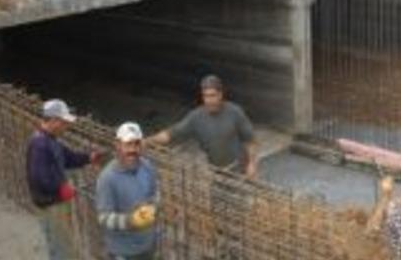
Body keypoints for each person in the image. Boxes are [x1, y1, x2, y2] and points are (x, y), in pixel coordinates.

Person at [26, 99, 101, 260]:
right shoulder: (40, 144)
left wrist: (88, 158)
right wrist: (60, 189)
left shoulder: (50, 140)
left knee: (58, 244)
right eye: (64, 122)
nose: (66, 126)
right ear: (53, 121)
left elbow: (68, 157)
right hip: (50, 205)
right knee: (63, 248)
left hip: (54, 201)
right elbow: (38, 178)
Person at [148, 74, 258, 179]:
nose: (209, 100)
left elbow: (250, 140)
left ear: (220, 95)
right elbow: (171, 134)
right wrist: (147, 141)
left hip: (240, 171)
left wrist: (252, 164)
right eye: (206, 96)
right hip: (217, 173)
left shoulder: (234, 112)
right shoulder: (196, 117)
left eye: (213, 96)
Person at [95, 122, 159, 260]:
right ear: (117, 145)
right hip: (123, 251)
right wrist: (130, 220)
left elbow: (155, 194)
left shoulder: (147, 167)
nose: (133, 149)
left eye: (137, 144)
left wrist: (152, 207)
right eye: (128, 144)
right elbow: (103, 218)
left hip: (148, 245)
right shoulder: (107, 178)